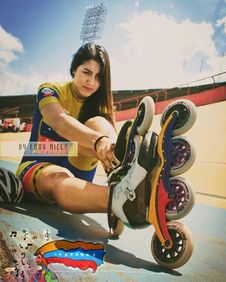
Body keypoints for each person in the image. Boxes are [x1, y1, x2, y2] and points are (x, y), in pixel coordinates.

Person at [16, 43, 157, 226]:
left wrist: (107, 146)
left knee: (97, 122)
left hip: (75, 165)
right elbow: (58, 121)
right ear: (74, 69)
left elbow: (97, 133)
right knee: (60, 174)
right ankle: (121, 200)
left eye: (98, 77)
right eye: (87, 72)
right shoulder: (50, 89)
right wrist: (98, 141)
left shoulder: (98, 105)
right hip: (36, 165)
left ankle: (125, 164)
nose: (91, 82)